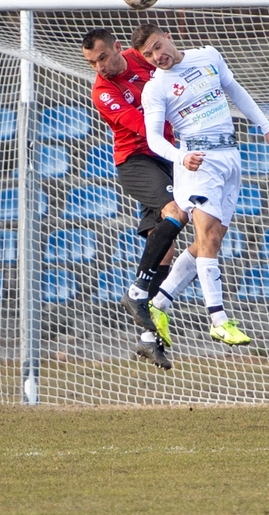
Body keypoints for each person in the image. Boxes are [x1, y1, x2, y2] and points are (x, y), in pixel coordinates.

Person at [131, 23, 269, 347]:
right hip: (197, 160)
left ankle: (159, 302)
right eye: (148, 55)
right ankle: (218, 319)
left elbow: (236, 91)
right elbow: (153, 138)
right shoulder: (155, 88)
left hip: (230, 156)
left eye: (157, 47)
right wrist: (180, 156)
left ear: (168, 37)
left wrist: (267, 128)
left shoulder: (208, 56)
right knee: (206, 235)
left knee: (213, 240)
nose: (156, 57)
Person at [81, 28, 189, 370]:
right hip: (137, 161)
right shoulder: (102, 92)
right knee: (177, 211)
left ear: (117, 48)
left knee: (166, 247)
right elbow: (145, 128)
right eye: (91, 63)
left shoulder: (142, 58)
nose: (98, 67)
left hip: (168, 156)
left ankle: (146, 339)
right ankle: (137, 292)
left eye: (101, 58)